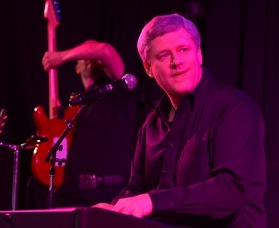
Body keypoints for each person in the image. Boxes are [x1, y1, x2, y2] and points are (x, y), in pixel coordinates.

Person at [94, 13, 266, 228]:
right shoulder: (150, 126)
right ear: (148, 68)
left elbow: (229, 190)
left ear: (199, 54)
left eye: (183, 50)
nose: (177, 62)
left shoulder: (234, 108)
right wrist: (113, 208)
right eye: (164, 55)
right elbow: (137, 190)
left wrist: (152, 201)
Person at [32, 40, 141, 207]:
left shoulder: (116, 88)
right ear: (77, 69)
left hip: (110, 193)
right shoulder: (76, 105)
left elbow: (102, 50)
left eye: (91, 56)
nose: (89, 58)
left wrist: (60, 57)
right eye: (84, 57)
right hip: (73, 194)